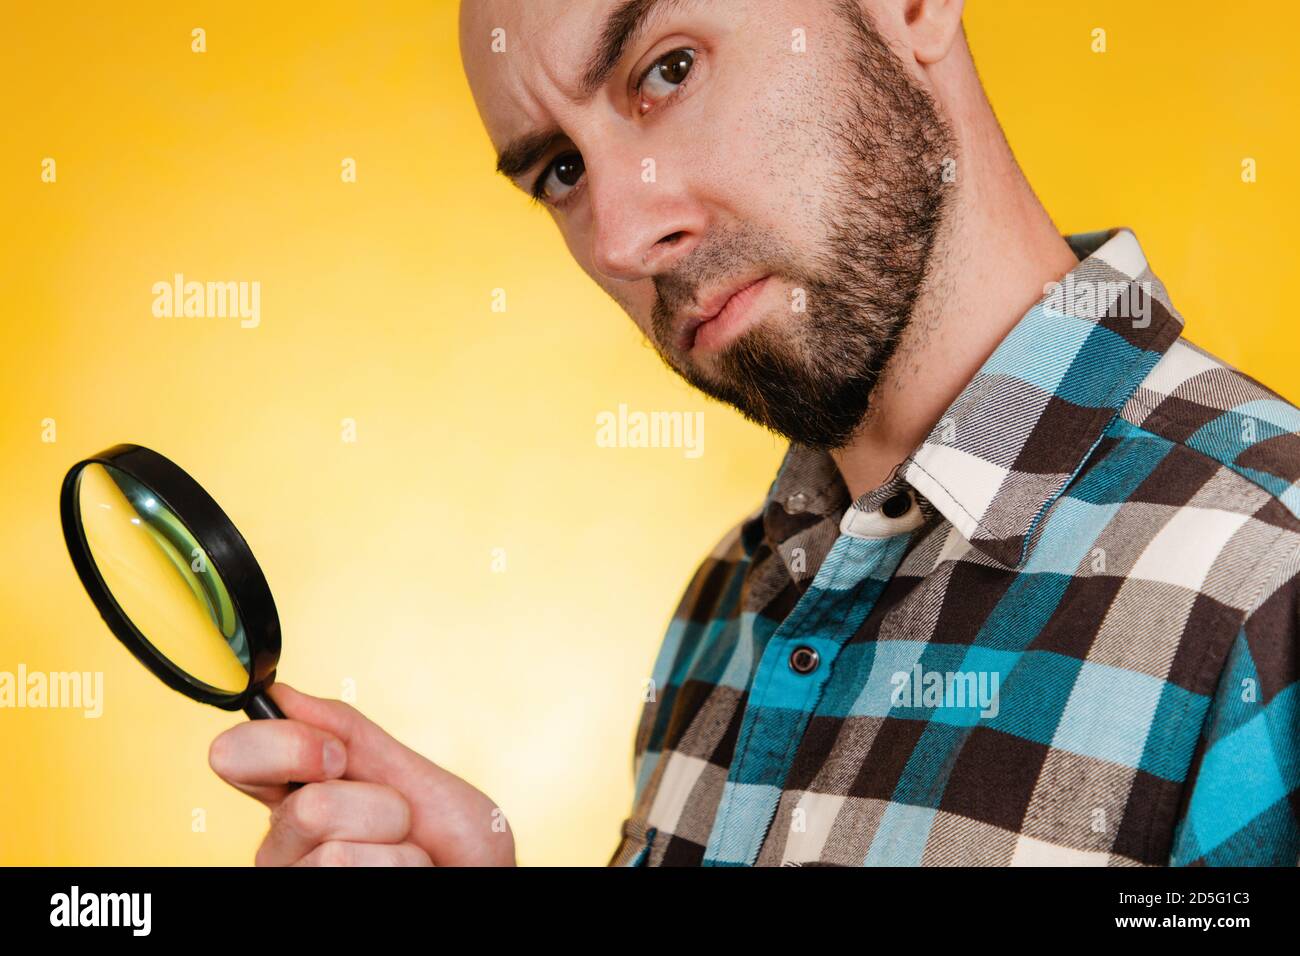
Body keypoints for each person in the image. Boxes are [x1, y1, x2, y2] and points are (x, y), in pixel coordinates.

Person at [209, 0, 1300, 866]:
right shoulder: (724, 611)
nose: (627, 235)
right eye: (562, 170)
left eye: (667, 69)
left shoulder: (1269, 583)